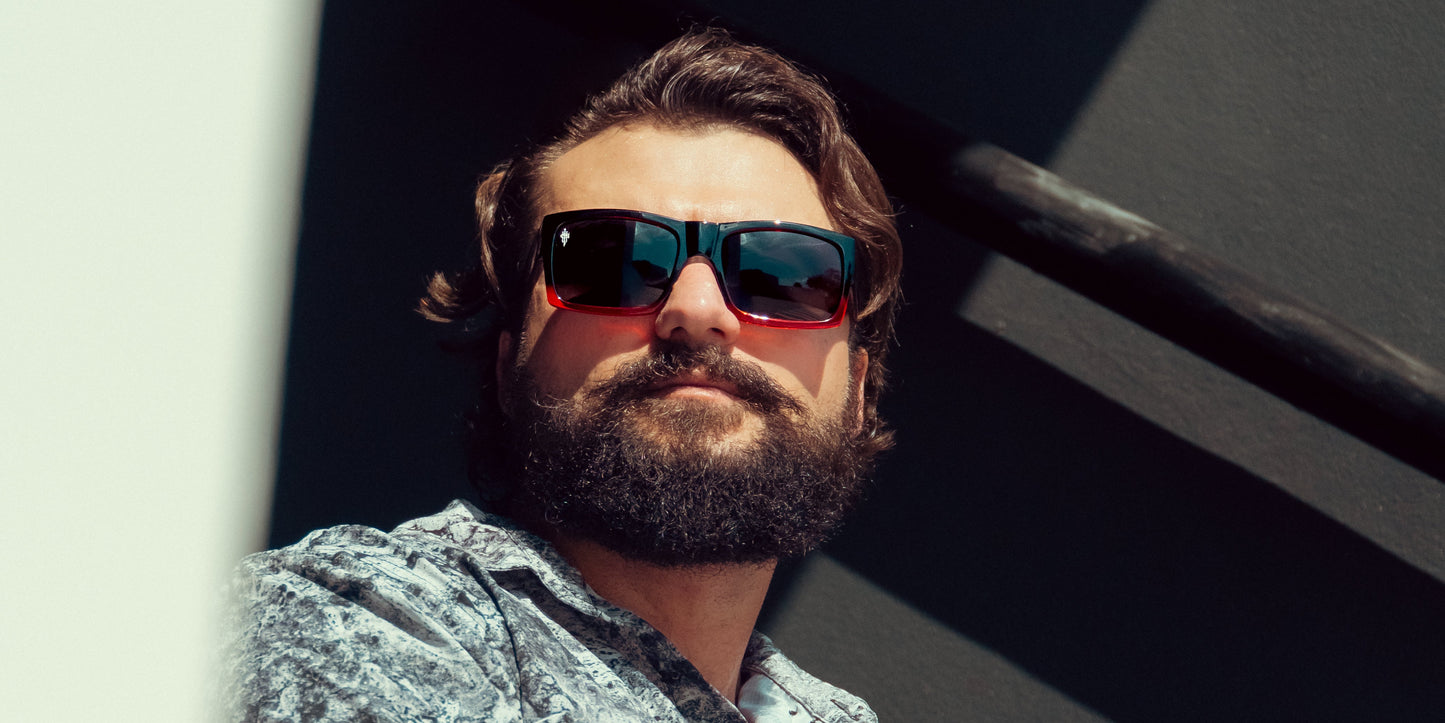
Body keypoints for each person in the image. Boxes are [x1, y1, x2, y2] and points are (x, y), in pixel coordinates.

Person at [225, 28, 903, 722]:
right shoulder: (342, 623)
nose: (696, 310)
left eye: (779, 272)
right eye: (612, 260)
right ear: (506, 360)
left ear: (855, 390)